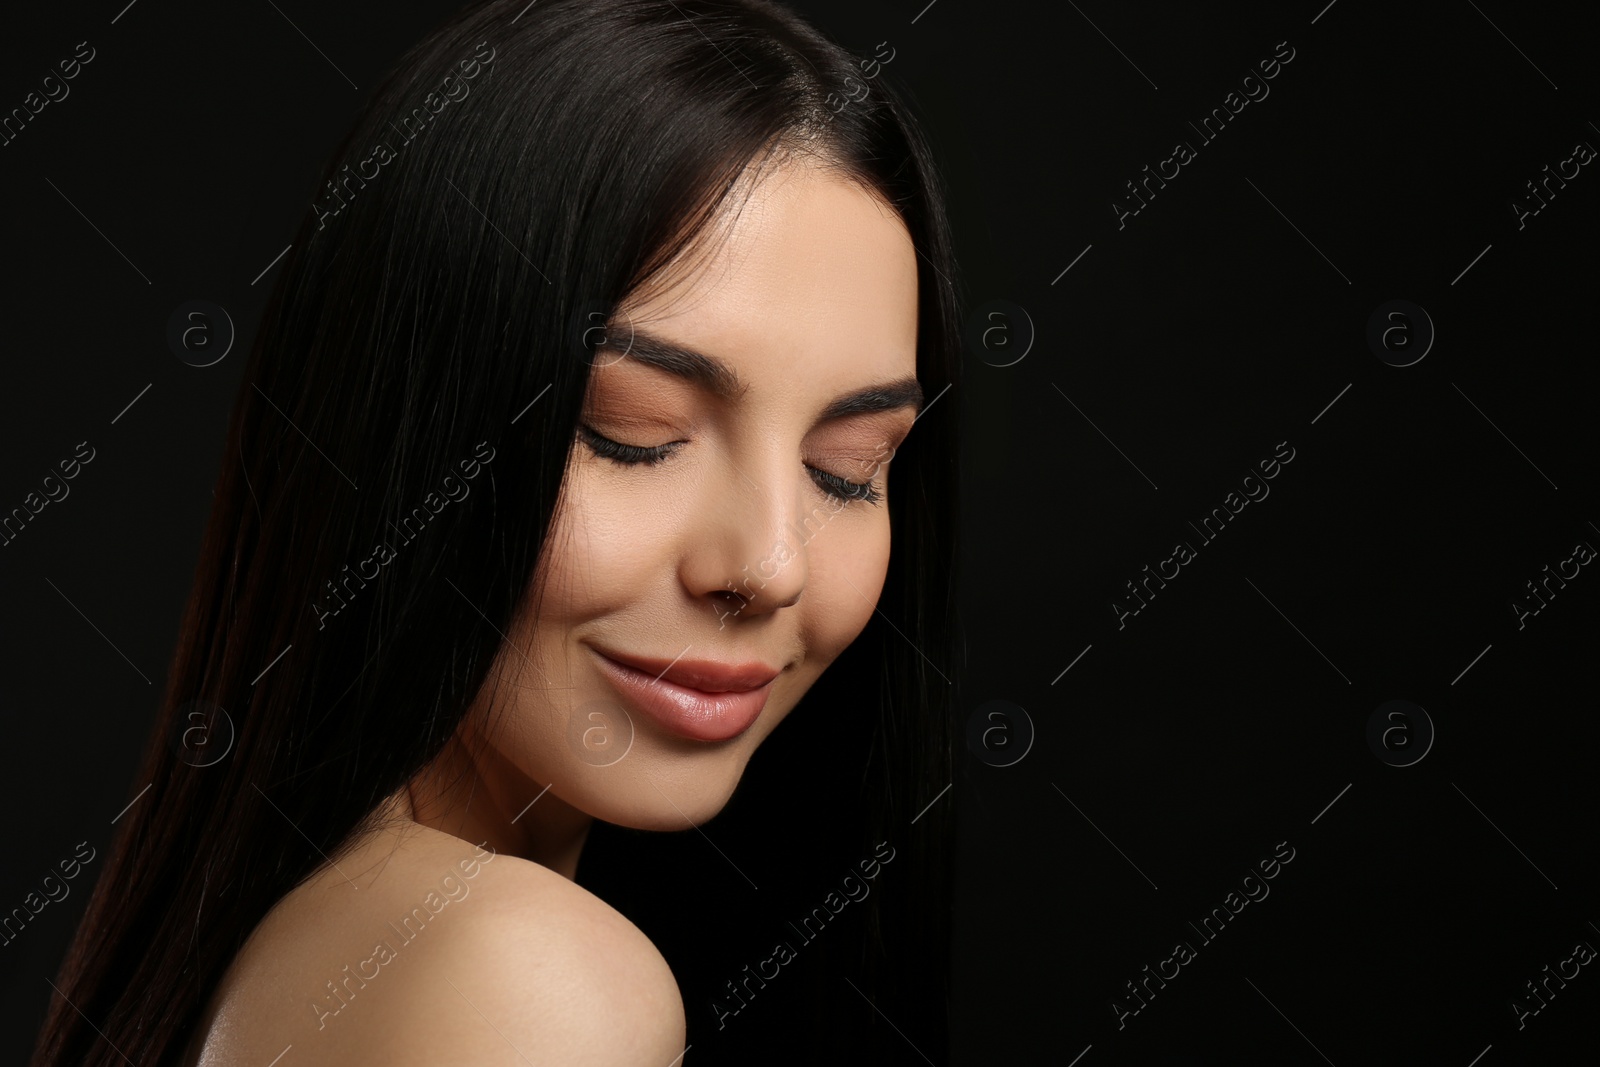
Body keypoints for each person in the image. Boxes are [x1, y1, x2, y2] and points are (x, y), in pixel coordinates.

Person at [33, 1, 961, 1063]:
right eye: (633, 435)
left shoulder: (320, 937)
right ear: (404, 434)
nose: (766, 565)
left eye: (846, 470)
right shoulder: (522, 977)